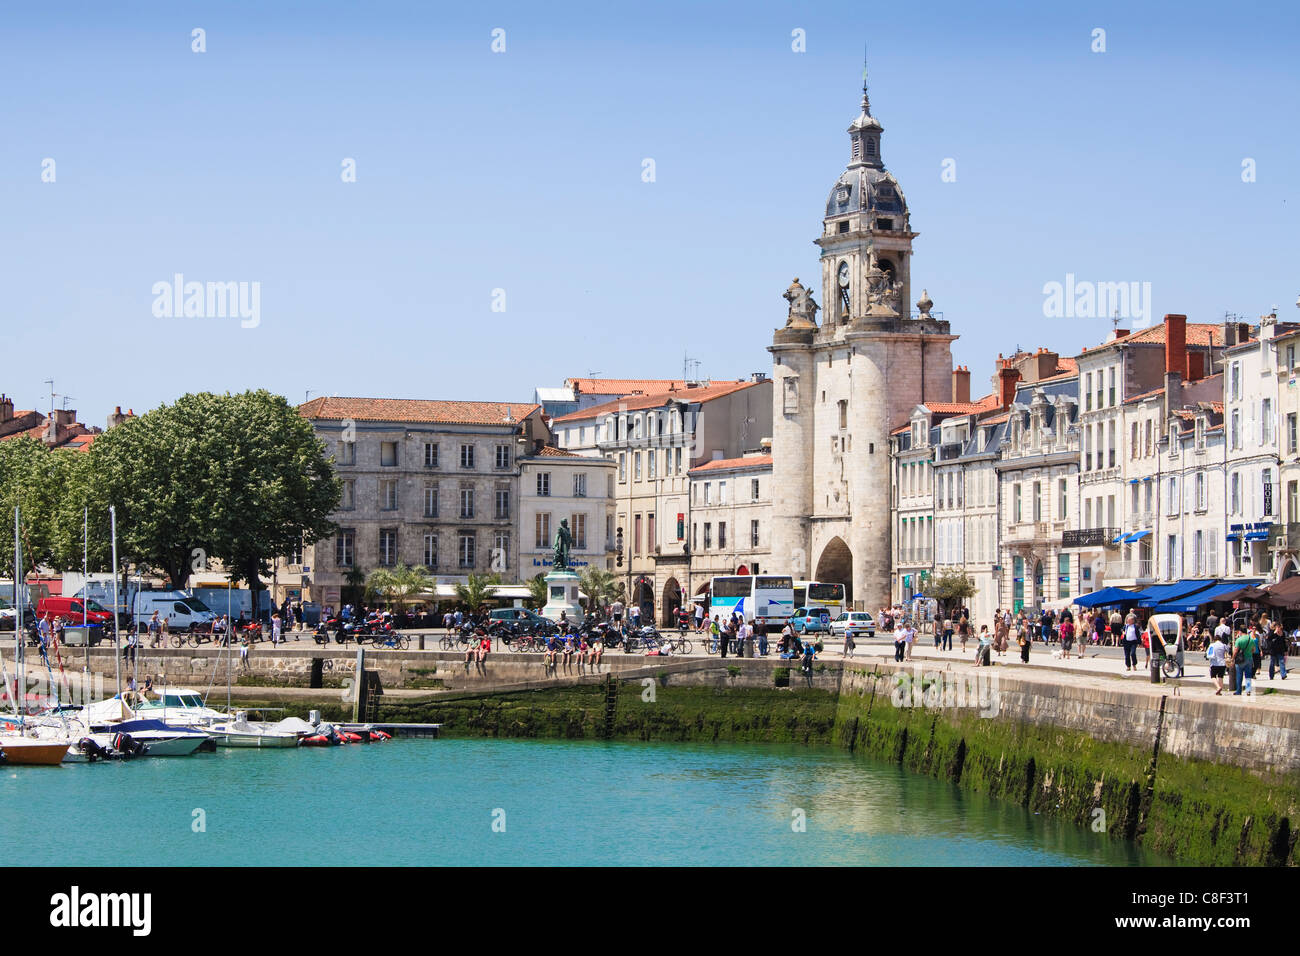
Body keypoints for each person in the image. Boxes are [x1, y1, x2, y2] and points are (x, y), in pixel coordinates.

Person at [1233, 627, 1256, 696]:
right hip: (1249, 659)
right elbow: (1253, 650)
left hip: (1240, 660)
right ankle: (1248, 690)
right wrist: (1249, 653)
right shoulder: (1251, 639)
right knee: (1248, 675)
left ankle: (1238, 691)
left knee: (1239, 675)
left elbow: (1236, 650)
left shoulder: (1239, 640)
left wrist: (1233, 658)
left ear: (1240, 632)